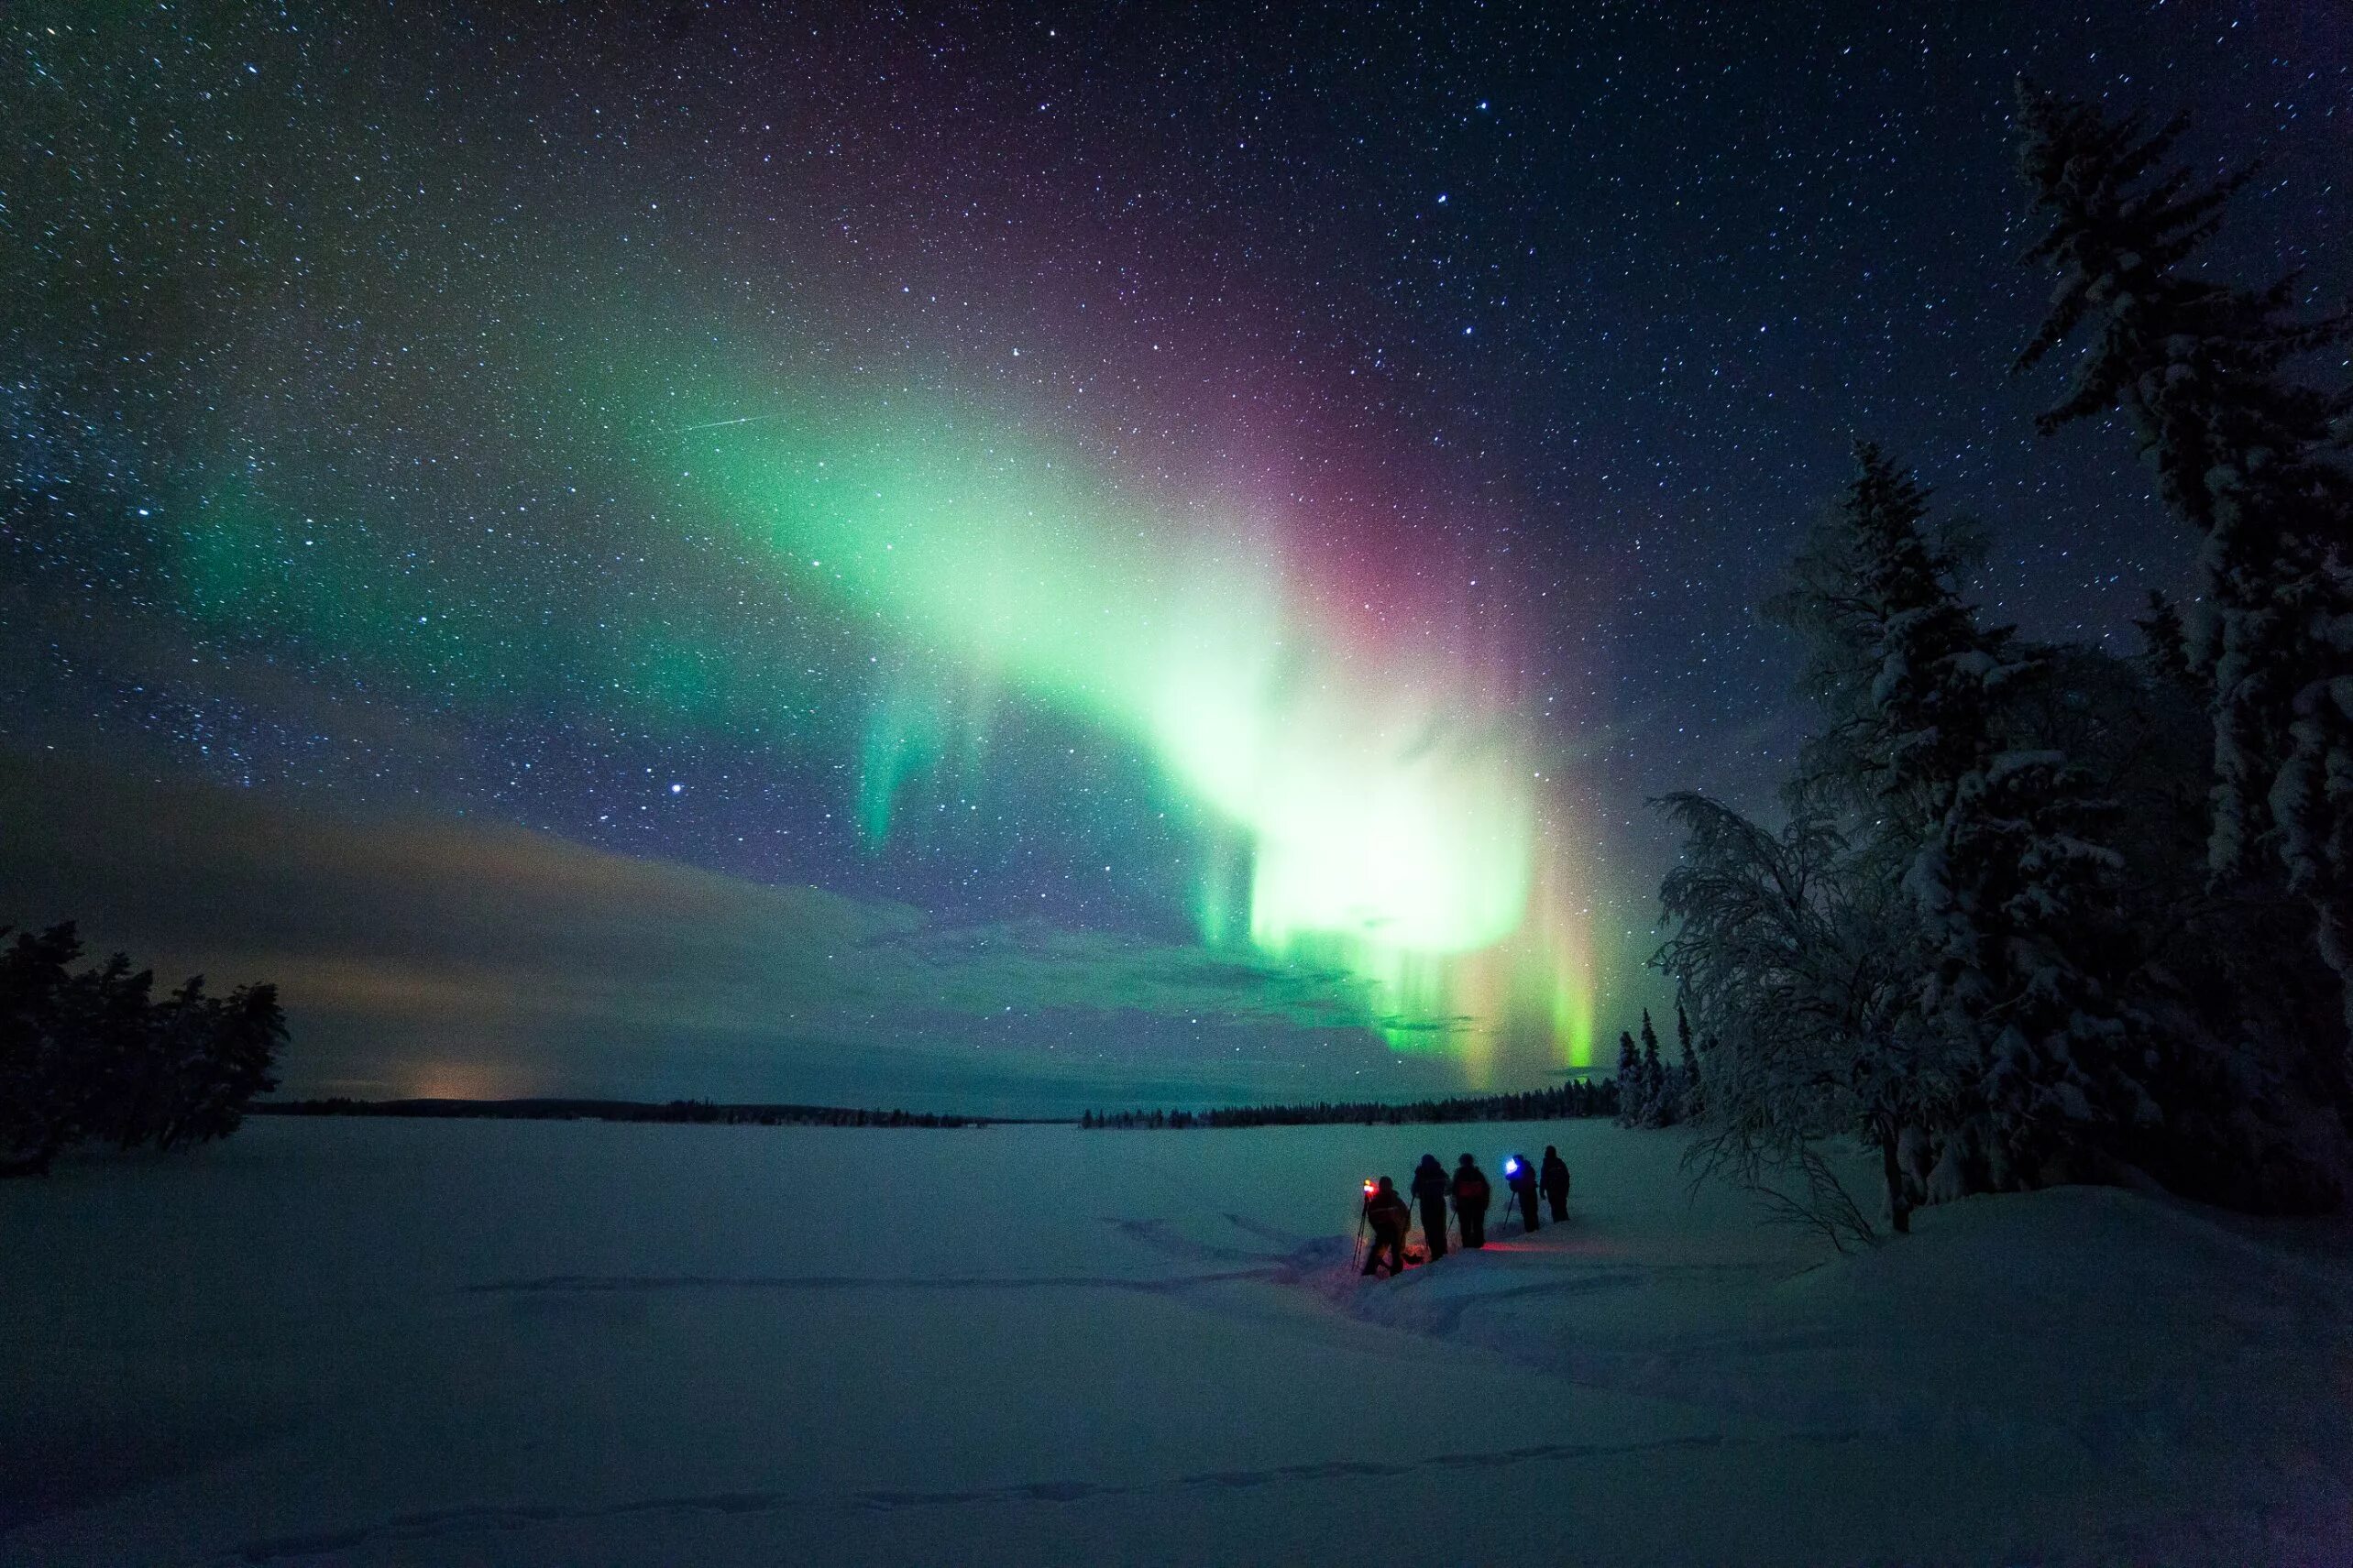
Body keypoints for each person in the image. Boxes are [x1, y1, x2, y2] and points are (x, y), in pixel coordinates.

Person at [1360, 1175, 1412, 1277]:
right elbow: (1406, 1215)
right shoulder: (1395, 1200)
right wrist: (1404, 1228)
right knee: (1396, 1252)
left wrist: (1377, 1228)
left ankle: (1369, 1273)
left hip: (1384, 1230)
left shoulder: (1376, 1201)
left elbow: (1371, 1217)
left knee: (1378, 1250)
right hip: (1393, 1230)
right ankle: (1396, 1274)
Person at [1411, 1154, 1450, 1260]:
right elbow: (1448, 1188)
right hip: (1438, 1203)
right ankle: (1442, 1252)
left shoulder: (1420, 1174)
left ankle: (1436, 1254)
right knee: (1440, 1228)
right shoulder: (1440, 1172)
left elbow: (1414, 1191)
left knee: (1430, 1229)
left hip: (1426, 1204)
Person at [1450, 1153, 1491, 1249]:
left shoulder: (1459, 1174)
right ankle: (1478, 1244)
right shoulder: (1478, 1173)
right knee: (1478, 1224)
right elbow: (1486, 1188)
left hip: (1464, 1204)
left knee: (1465, 1225)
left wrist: (1455, 1203)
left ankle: (1467, 1245)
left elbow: (1454, 1190)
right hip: (1478, 1203)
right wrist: (1485, 1202)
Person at [1504, 1152, 1541, 1233]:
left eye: (1515, 1160)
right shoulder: (1528, 1167)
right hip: (1531, 1192)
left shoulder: (1520, 1169)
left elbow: (1508, 1177)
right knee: (1532, 1211)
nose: (1515, 1162)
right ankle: (1535, 1228)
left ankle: (1530, 1229)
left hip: (1524, 1193)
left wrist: (1510, 1172)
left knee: (1527, 1211)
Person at [1540, 1145, 1571, 1221]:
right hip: (1561, 1190)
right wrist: (1566, 1189)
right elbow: (1566, 1177)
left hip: (1552, 1190)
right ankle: (1565, 1224)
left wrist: (1542, 1191)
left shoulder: (1546, 1164)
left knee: (1555, 1209)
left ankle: (1558, 1225)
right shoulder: (1560, 1163)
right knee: (1562, 1208)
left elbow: (1543, 1179)